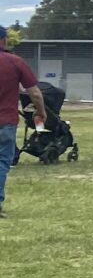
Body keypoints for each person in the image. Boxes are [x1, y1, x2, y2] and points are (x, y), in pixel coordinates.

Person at [0, 26, 49, 220]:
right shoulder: (15, 61)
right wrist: (41, 111)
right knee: (2, 162)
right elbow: (35, 93)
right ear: (4, 40)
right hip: (6, 121)